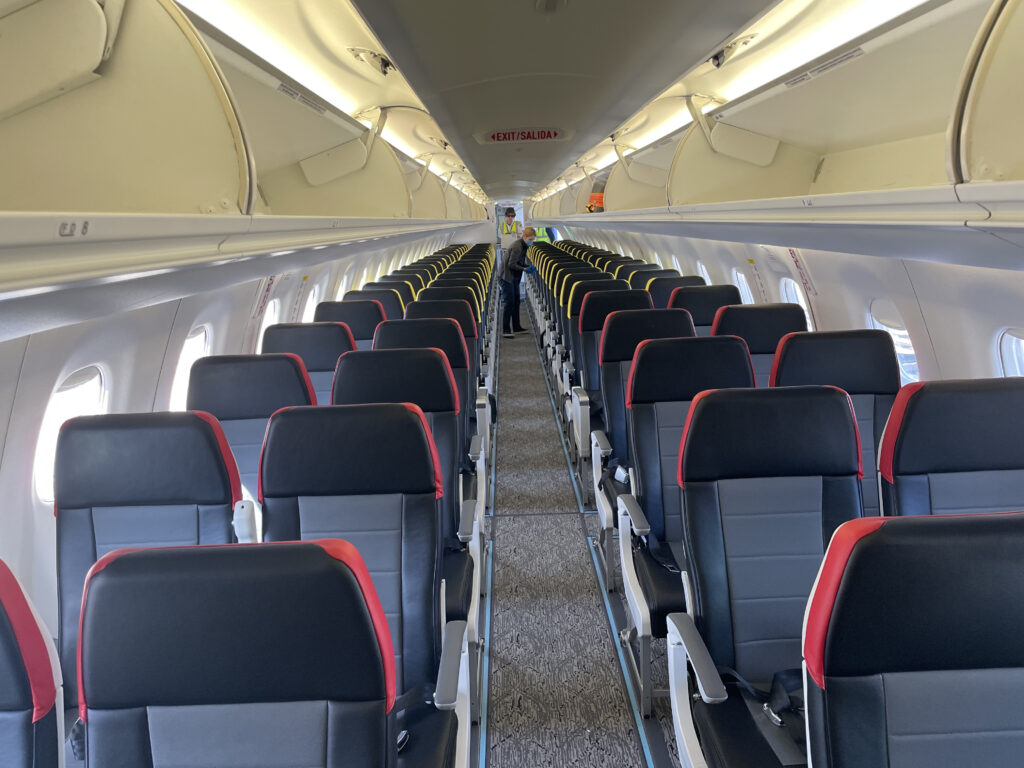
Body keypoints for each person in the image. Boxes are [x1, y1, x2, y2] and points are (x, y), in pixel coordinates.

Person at [501, 226, 536, 338]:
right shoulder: (517, 247)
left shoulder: (524, 245)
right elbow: (511, 264)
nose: (532, 242)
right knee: (509, 303)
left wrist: (527, 266)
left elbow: (519, 262)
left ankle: (516, 327)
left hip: (514, 277)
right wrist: (525, 269)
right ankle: (506, 330)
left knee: (516, 301)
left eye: (533, 240)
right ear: (524, 236)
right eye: (530, 239)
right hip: (506, 277)